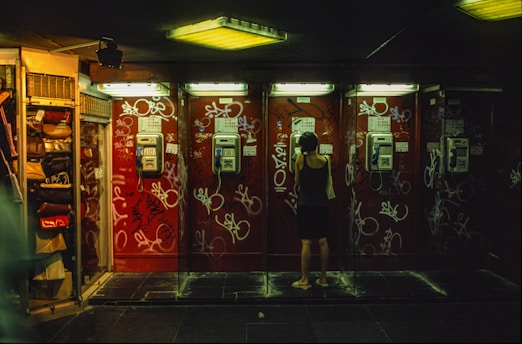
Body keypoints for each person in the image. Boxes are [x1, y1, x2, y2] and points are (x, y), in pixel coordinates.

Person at [292, 131, 331, 289]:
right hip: (322, 204)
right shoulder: (326, 160)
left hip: (305, 204)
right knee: (323, 241)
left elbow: (297, 181)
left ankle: (305, 279)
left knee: (306, 242)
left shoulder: (301, 159)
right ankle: (323, 278)